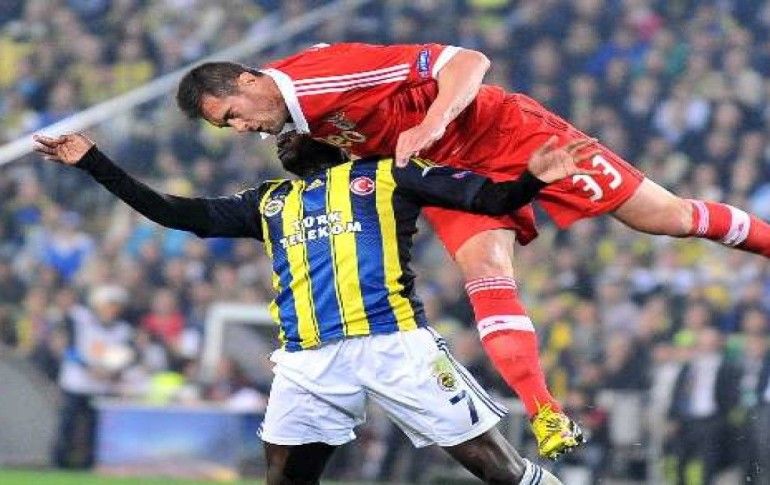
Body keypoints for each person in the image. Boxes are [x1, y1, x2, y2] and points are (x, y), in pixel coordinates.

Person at [174, 43, 770, 457]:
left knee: (666, 218)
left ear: (248, 81)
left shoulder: (320, 77)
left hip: (506, 132)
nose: (239, 128)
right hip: (446, 170)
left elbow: (466, 60)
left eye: (232, 115)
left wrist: (432, 122)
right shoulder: (291, 113)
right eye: (226, 127)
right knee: (484, 271)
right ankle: (545, 412)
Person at [34, 132, 596, 482]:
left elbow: (489, 197)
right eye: (275, 136)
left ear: (330, 134)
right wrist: (94, 162)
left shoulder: (387, 175)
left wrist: (530, 180)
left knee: (493, 466)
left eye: (290, 131)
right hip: (308, 359)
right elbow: (173, 213)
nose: (278, 141)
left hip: (393, 342)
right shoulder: (269, 201)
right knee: (283, 477)